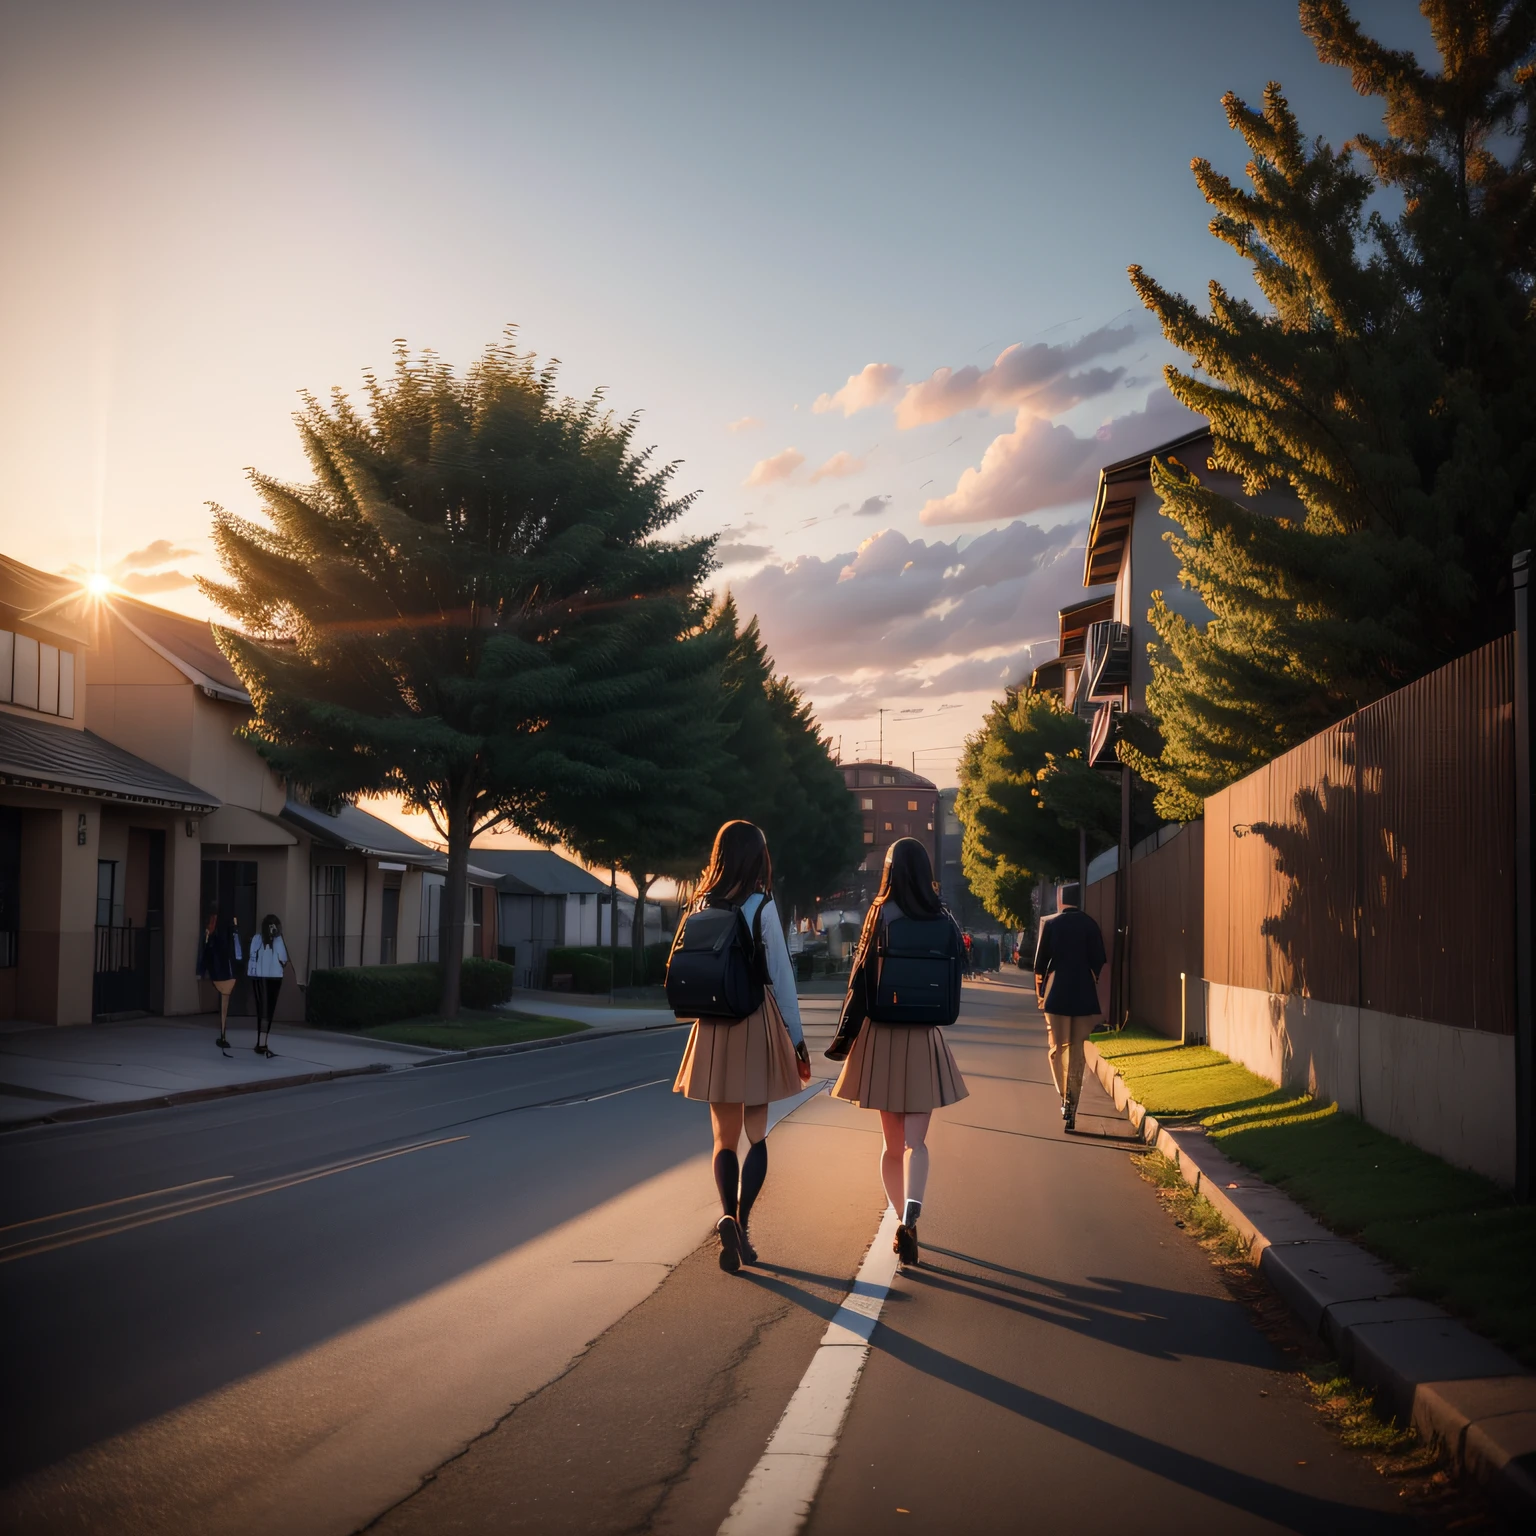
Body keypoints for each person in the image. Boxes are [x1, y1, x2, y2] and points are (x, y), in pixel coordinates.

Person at [672, 820, 811, 1273]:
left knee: (722, 1140)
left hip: (712, 1029)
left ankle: (726, 1216)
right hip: (754, 1023)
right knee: (757, 1135)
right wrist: (797, 1039)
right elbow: (782, 977)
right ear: (757, 858)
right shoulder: (761, 906)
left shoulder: (698, 902)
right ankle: (741, 1224)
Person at [826, 838, 967, 1267]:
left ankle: (899, 1221)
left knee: (891, 1147)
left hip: (883, 1035)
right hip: (924, 1037)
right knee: (917, 1144)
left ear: (889, 870)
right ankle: (913, 1212)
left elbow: (860, 981)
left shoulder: (879, 913)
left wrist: (845, 1036)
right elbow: (959, 966)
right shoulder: (942, 916)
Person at [1033, 893, 1107, 1131]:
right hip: (1084, 995)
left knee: (1056, 1048)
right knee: (1077, 1051)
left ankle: (1063, 1095)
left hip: (1056, 994)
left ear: (1060, 901)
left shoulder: (1052, 924)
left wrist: (1040, 994)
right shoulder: (1090, 924)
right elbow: (1099, 961)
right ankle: (1072, 1100)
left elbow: (1040, 964)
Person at [197, 908, 242, 1052]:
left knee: (224, 1002)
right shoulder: (221, 935)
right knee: (224, 1001)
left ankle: (223, 1034)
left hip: (222, 973)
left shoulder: (215, 937)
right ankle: (222, 1034)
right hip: (225, 973)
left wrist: (201, 970)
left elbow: (206, 953)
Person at [247, 913, 291, 1058]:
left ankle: (261, 1042)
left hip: (257, 977)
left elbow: (251, 955)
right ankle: (262, 1043)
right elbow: (284, 959)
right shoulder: (278, 940)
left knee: (262, 1011)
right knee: (268, 1011)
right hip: (273, 978)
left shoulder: (257, 938)